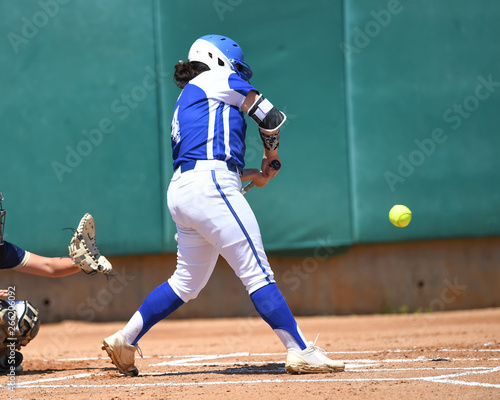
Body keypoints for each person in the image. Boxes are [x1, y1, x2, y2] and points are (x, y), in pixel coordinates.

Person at [102, 34, 345, 376]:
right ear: (218, 59)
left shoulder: (188, 97)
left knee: (186, 283)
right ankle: (300, 350)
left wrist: (252, 174)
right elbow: (270, 117)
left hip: (186, 189)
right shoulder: (217, 78)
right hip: (211, 186)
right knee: (257, 272)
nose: (240, 76)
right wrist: (270, 156)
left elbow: (204, 157)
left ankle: (124, 339)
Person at [0, 193, 111, 374]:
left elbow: (49, 266)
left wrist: (82, 262)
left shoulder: (2, 250)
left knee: (24, 316)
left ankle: (1, 359)